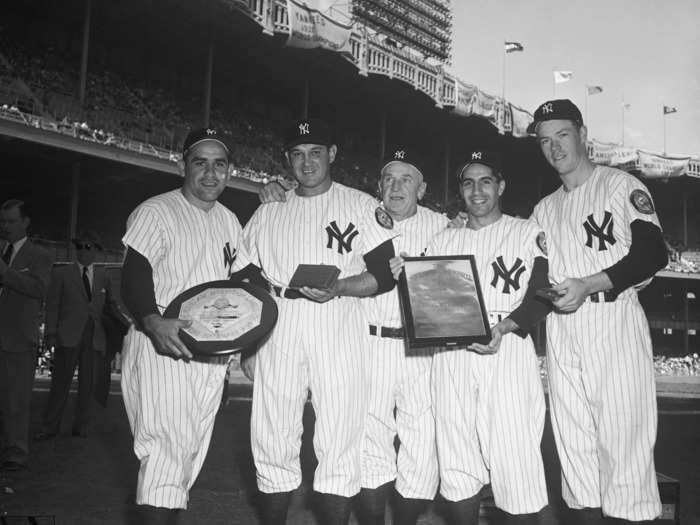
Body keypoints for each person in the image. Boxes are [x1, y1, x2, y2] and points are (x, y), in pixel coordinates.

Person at [242, 118, 396, 525]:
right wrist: (249, 341)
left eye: (315, 152)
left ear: (332, 155)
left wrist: (341, 287)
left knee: (340, 435)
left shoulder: (362, 205)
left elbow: (384, 274)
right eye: (297, 154)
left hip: (338, 319)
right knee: (272, 433)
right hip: (280, 321)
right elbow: (245, 275)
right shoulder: (270, 208)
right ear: (286, 160)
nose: (306, 162)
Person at [391, 150, 552, 524]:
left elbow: (542, 296)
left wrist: (505, 327)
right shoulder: (444, 239)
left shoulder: (526, 232)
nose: (477, 190)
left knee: (516, 459)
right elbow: (425, 299)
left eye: (485, 181)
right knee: (456, 457)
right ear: (460, 191)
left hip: (507, 346)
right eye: (468, 182)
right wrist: (406, 275)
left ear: (501, 186)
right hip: (451, 351)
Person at [529, 99, 667, 524]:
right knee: (576, 458)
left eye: (562, 135)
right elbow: (529, 282)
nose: (554, 147)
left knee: (623, 449)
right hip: (562, 330)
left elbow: (651, 253)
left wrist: (589, 284)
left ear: (583, 134)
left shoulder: (620, 186)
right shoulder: (542, 209)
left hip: (613, 319)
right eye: (545, 141)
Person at [120, 128, 257, 525]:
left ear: (230, 172)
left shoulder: (230, 221)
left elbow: (246, 281)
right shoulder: (156, 210)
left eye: (220, 164)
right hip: (163, 342)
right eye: (201, 162)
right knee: (165, 459)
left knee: (184, 463)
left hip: (208, 355)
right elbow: (135, 272)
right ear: (183, 164)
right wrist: (151, 320)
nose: (210, 173)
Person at [355, 147, 446, 525]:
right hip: (370, 342)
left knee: (422, 446)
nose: (396, 186)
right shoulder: (358, 218)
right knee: (369, 444)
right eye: (389, 179)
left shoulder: (444, 225)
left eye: (406, 179)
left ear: (421, 189)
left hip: (420, 346)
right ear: (378, 186)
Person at [37, 230, 126, 440]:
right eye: (79, 247)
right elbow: (52, 306)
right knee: (60, 384)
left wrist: (128, 326)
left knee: (88, 387)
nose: (83, 251)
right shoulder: (61, 274)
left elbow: (111, 306)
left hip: (94, 337)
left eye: (88, 247)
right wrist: (50, 332)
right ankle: (50, 427)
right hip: (67, 336)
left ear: (96, 250)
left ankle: (81, 427)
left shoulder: (103, 276)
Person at [0, 199, 53, 471]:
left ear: (25, 222)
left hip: (19, 339)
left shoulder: (38, 255)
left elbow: (39, 289)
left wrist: (6, 274)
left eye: (10, 221)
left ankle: (16, 452)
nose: (5, 227)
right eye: (2, 221)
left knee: (16, 401)